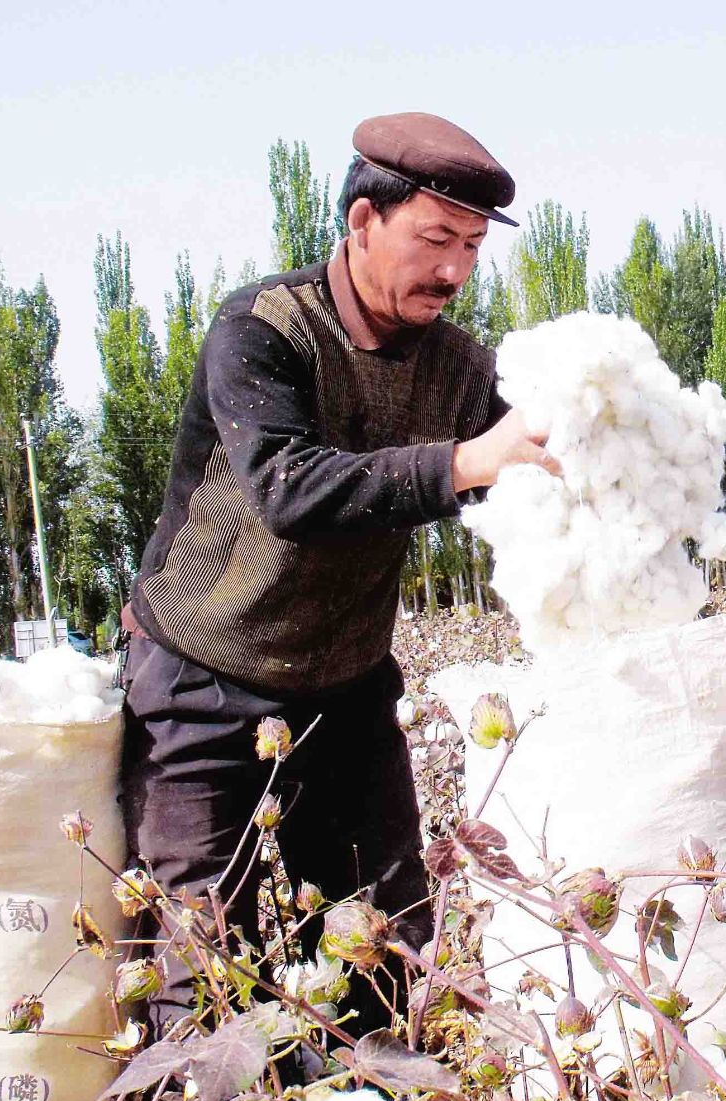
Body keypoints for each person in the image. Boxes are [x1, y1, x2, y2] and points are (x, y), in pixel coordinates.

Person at [120, 113, 557, 1039]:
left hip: (347, 693)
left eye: (473, 248)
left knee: (384, 950)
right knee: (199, 969)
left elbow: (523, 464)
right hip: (204, 680)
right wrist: (466, 463)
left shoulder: (462, 364)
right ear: (363, 222)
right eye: (435, 240)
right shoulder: (263, 329)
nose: (454, 271)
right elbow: (289, 489)